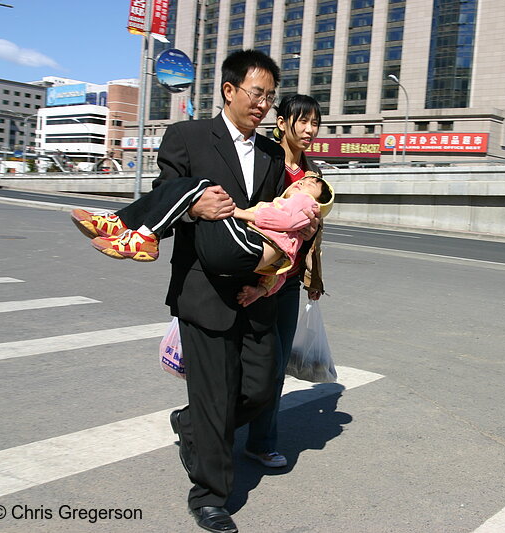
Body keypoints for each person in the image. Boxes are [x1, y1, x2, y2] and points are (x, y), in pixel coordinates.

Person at [100, 49, 316, 533]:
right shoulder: (188, 137)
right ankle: (211, 495)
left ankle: (192, 424)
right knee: (215, 394)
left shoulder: (269, 155)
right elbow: (166, 195)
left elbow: (275, 223)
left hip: (253, 291)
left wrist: (272, 276)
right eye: (256, 93)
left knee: (261, 387)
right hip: (203, 290)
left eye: (269, 97)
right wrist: (195, 209)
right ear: (230, 90)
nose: (263, 104)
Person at [70, 173, 334, 306]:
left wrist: (240, 212)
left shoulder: (303, 204)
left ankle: (136, 230)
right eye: (302, 181)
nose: (301, 184)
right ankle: (126, 225)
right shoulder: (294, 230)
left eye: (310, 184)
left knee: (202, 187)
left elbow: (282, 220)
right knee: (194, 188)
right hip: (253, 252)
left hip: (250, 244)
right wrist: (260, 291)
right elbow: (277, 273)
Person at [244, 94, 326, 468]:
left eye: (315, 123)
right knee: (254, 365)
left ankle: (261, 441)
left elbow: (313, 234)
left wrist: (314, 276)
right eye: (302, 121)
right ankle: (201, 418)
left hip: (289, 282)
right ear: (281, 123)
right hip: (258, 276)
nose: (309, 130)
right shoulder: (264, 162)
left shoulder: (313, 175)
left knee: (275, 368)